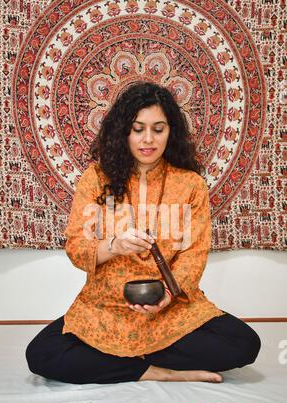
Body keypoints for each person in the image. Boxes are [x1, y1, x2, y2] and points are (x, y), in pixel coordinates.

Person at [26, 82, 261, 384]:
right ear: (123, 131)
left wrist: (166, 294)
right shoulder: (96, 178)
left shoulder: (190, 184)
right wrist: (113, 245)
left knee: (244, 344)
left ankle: (116, 358)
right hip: (106, 308)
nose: (147, 139)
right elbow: (76, 246)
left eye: (158, 129)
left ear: (170, 132)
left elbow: (194, 254)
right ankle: (154, 371)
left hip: (168, 310)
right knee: (42, 354)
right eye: (138, 129)